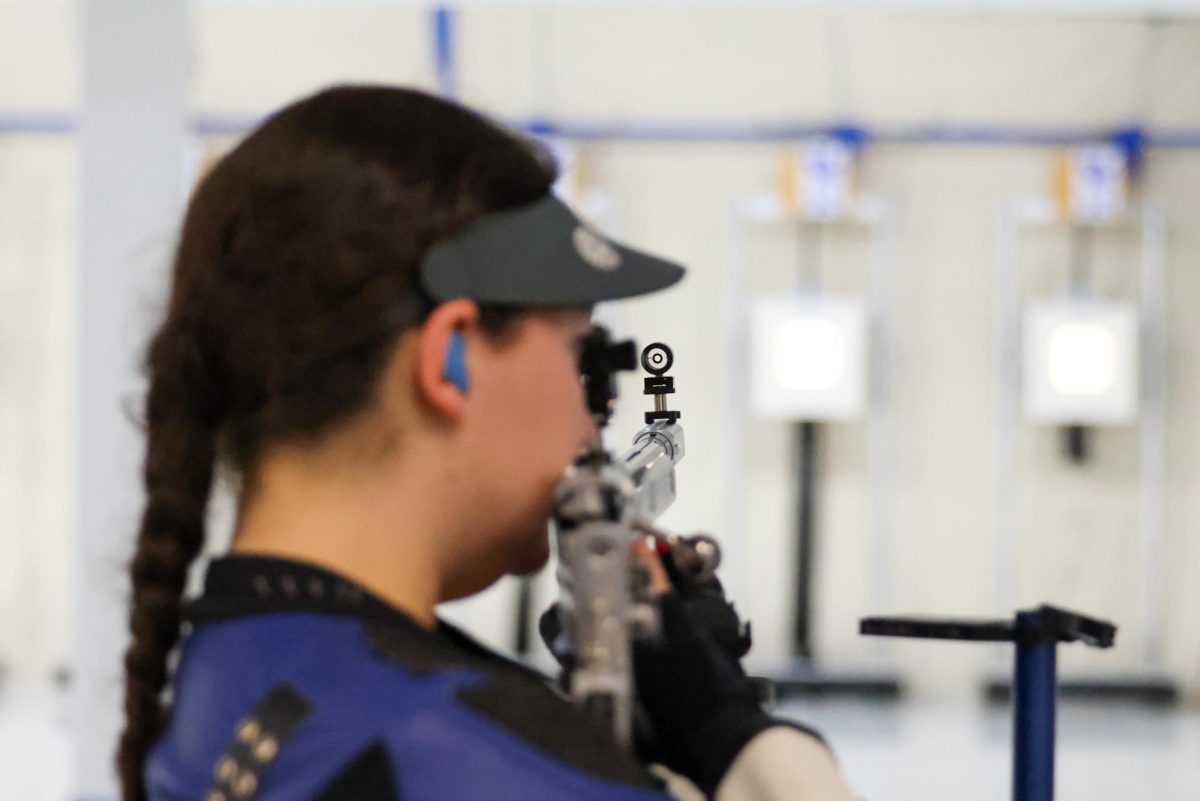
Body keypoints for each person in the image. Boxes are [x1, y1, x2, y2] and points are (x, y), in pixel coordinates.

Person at [119, 85, 854, 801]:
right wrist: (723, 727)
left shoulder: (235, 654)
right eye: (585, 362)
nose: (590, 429)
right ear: (450, 358)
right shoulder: (453, 750)